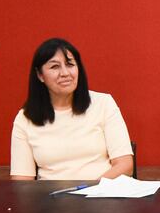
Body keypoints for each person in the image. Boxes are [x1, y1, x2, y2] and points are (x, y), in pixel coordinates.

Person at [10, 38, 134, 181]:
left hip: (101, 195)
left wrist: (89, 189)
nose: (65, 73)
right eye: (54, 67)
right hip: (49, 199)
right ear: (40, 75)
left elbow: (125, 165)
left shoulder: (103, 103)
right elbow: (22, 180)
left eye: (70, 64)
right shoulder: (25, 118)